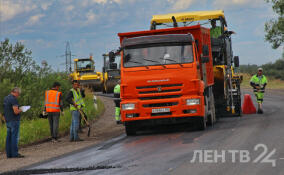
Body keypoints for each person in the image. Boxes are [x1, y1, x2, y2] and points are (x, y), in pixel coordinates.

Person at [3, 87, 24, 158]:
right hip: (14, 121)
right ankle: (15, 154)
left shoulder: (6, 98)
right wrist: (22, 109)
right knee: (14, 138)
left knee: (8, 138)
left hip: (8, 120)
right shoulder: (13, 99)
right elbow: (16, 111)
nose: (18, 95)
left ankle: (9, 154)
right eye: (18, 94)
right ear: (16, 92)